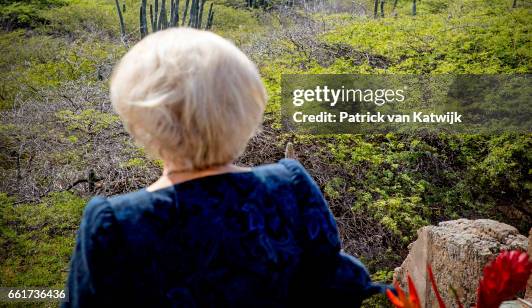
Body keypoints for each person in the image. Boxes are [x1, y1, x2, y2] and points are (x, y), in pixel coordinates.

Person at [64, 27, 385, 307]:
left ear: (141, 122)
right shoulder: (290, 187)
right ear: (246, 110)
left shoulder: (115, 224)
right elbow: (341, 285)